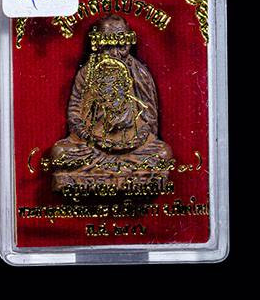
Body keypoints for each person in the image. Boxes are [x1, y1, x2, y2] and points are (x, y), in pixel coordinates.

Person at [51, 14, 172, 193]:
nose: (114, 53)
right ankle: (116, 176)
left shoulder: (139, 73)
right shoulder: (87, 73)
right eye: (108, 46)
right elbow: (75, 109)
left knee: (162, 153)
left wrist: (138, 136)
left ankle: (108, 176)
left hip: (132, 148)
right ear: (98, 45)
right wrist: (86, 134)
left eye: (120, 46)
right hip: (93, 146)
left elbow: (150, 115)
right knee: (60, 153)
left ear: (128, 44)